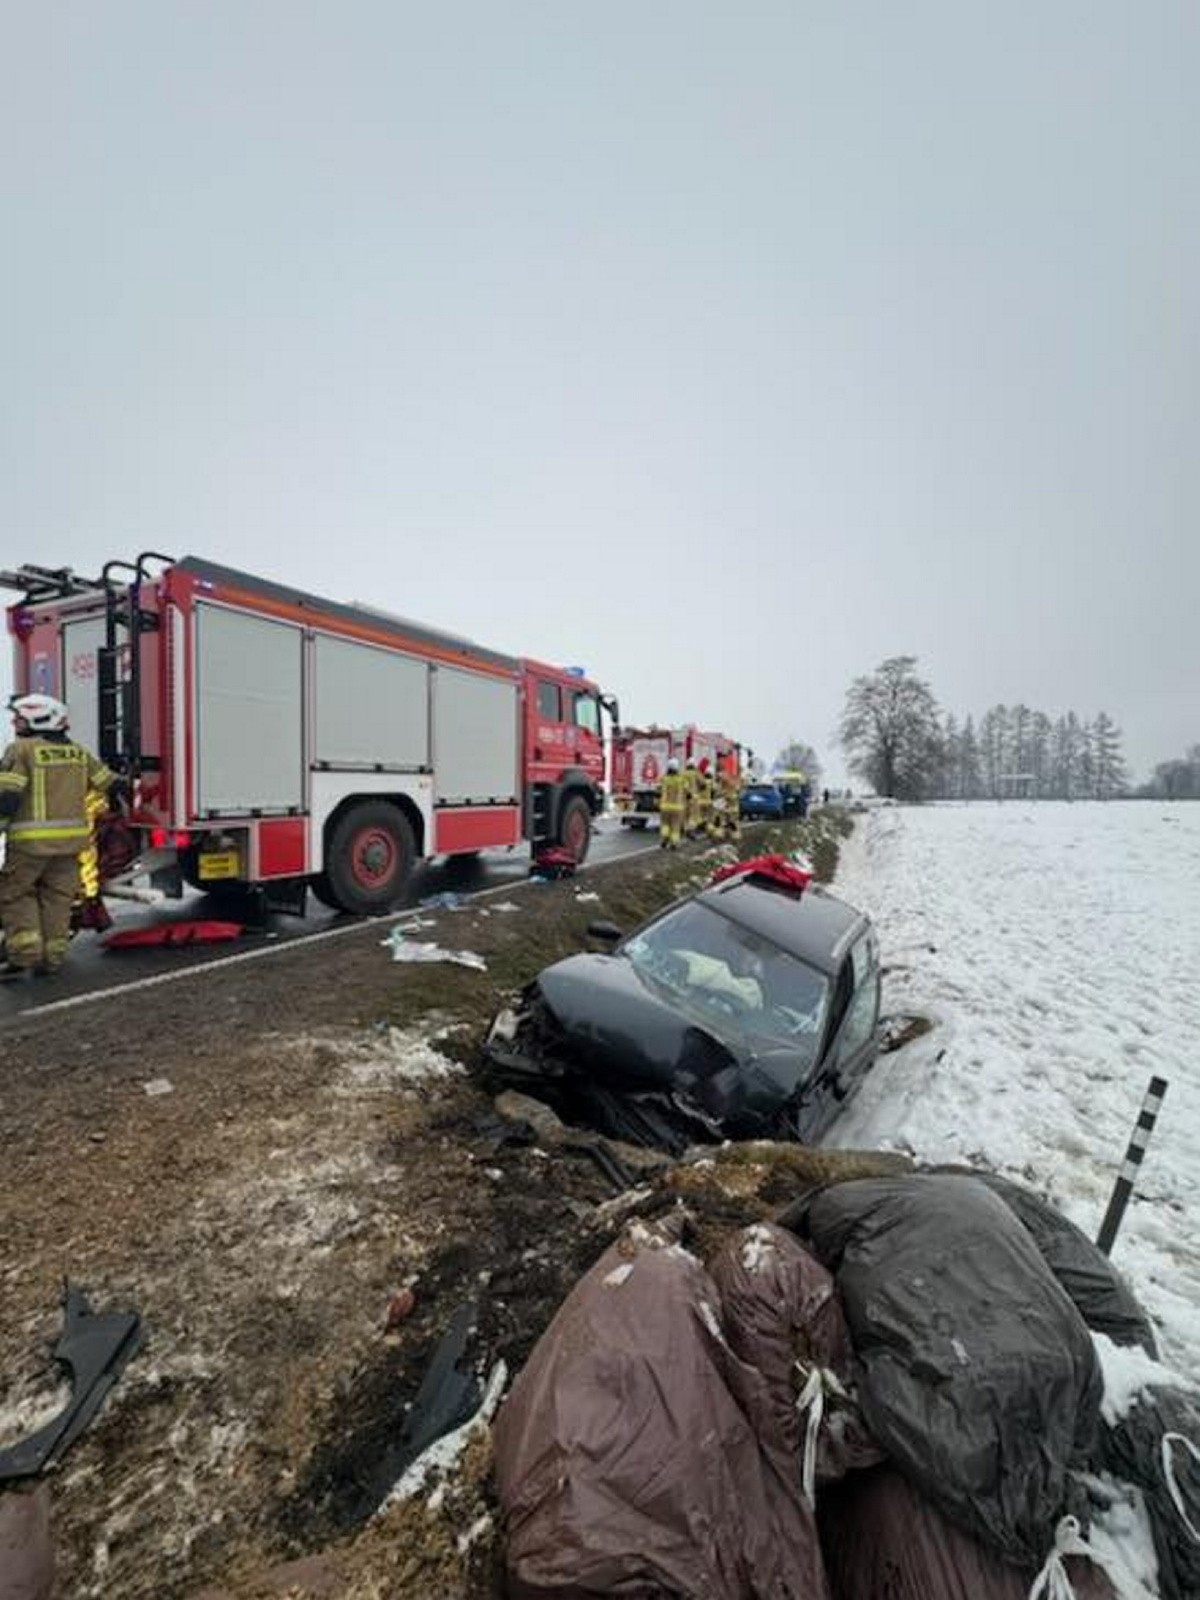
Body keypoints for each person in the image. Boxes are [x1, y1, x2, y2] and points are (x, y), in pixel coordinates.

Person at [0, 694, 120, 980]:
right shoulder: (78, 753)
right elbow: (110, 784)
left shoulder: (21, 750)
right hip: (71, 845)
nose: (15, 723)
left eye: (19, 717)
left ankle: (24, 955)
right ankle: (52, 958)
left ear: (37, 718)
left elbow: (8, 798)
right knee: (58, 898)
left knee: (15, 893)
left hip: (30, 844)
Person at [658, 757, 685, 850]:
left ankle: (664, 840)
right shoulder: (681, 779)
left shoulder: (663, 778)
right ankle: (674, 843)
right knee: (675, 827)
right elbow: (687, 790)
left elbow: (657, 788)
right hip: (677, 807)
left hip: (665, 806)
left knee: (665, 824)